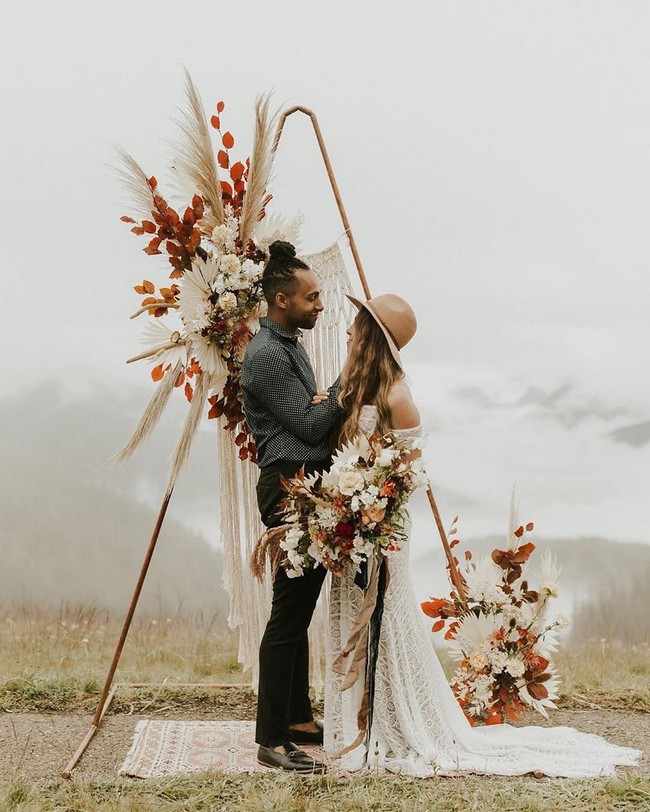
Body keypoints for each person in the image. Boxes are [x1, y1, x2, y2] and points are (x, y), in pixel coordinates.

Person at [324, 292, 641, 778]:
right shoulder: (352, 387)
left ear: (372, 338)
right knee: (348, 619)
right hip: (352, 529)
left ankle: (392, 720)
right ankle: (352, 722)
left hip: (383, 533)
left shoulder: (398, 397)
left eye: (357, 324)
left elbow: (406, 478)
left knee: (386, 624)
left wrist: (370, 512)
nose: (347, 330)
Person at [241, 240, 341, 773]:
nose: (319, 306)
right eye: (312, 297)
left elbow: (308, 412)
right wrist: (347, 385)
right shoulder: (265, 355)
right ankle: (271, 737)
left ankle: (299, 718)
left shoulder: (287, 342)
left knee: (299, 609)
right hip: (287, 489)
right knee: (289, 612)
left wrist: (322, 400)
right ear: (282, 300)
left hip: (303, 482)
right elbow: (306, 425)